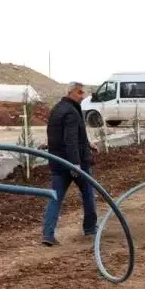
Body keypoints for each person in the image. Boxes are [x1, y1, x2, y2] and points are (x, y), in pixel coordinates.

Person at [43, 82, 98, 246]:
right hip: (75, 163)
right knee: (88, 193)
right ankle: (90, 228)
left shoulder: (57, 109)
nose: (83, 96)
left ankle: (47, 234)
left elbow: (67, 135)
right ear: (70, 92)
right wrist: (75, 164)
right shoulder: (72, 112)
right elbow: (70, 140)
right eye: (80, 92)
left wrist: (88, 144)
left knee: (55, 198)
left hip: (57, 162)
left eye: (83, 93)